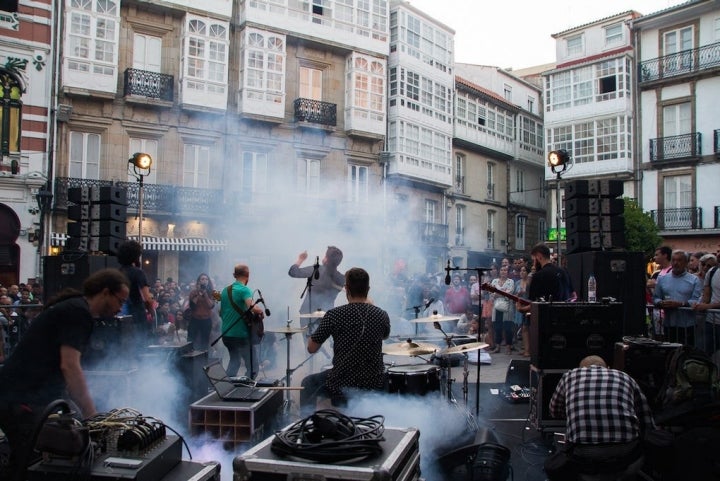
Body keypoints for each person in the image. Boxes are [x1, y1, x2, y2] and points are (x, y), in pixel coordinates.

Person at [0, 269, 129, 481]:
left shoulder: (76, 307)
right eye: (119, 301)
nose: (120, 308)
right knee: (31, 462)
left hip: (28, 394)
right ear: (106, 292)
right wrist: (91, 415)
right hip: (20, 397)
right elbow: (69, 366)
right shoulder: (78, 313)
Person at [546, 355, 654, 480]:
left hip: (584, 460)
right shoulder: (625, 377)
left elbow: (554, 411)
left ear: (581, 369)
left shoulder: (570, 376)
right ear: (608, 368)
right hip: (627, 458)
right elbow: (646, 419)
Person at [300, 267, 390, 410]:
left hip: (343, 382)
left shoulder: (334, 315)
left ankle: (306, 425)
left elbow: (311, 348)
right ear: (368, 288)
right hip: (375, 381)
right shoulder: (381, 314)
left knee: (308, 382)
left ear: (346, 288)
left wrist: (315, 329)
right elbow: (385, 335)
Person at [220, 264, 265, 378]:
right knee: (253, 366)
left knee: (235, 362)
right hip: (240, 335)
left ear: (234, 275)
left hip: (226, 334)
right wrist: (260, 311)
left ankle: (228, 388)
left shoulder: (225, 290)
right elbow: (253, 307)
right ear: (248, 275)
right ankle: (247, 390)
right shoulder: (244, 290)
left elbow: (220, 312)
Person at [653, 250, 702, 346]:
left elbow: (697, 300)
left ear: (686, 263)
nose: (676, 263)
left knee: (687, 353)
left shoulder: (694, 280)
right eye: (673, 260)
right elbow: (655, 298)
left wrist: (681, 304)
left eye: (679, 260)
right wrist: (661, 303)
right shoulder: (663, 279)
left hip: (688, 325)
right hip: (669, 324)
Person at [116, 240, 154, 350]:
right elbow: (146, 298)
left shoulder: (117, 272)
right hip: (137, 317)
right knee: (139, 348)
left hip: (121, 316)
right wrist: (151, 311)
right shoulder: (138, 273)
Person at [288, 247, 345, 316]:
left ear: (327, 259)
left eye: (325, 256)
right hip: (327, 315)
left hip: (308, 315)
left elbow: (293, 272)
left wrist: (301, 259)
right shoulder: (342, 279)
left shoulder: (316, 270)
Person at [693, 253, 719, 355]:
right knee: (701, 355)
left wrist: (709, 306)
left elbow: (708, 304)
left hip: (712, 317)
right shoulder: (712, 272)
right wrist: (699, 305)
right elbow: (706, 298)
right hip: (711, 323)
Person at [186, 273, 216, 352]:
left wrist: (205, 294)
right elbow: (192, 305)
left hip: (206, 319)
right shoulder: (193, 292)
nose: (204, 281)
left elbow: (211, 305)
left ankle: (203, 361)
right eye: (202, 279)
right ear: (199, 281)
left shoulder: (214, 292)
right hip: (195, 319)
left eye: (206, 279)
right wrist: (199, 293)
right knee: (190, 340)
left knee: (205, 342)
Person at [490, 266, 515, 354]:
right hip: (497, 307)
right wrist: (502, 293)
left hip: (507, 307)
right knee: (497, 328)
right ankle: (498, 347)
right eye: (501, 270)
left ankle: (508, 347)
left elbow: (509, 293)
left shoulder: (510, 281)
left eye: (505, 270)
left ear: (507, 272)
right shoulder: (494, 281)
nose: (503, 271)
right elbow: (492, 293)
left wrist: (498, 292)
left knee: (508, 328)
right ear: (499, 271)